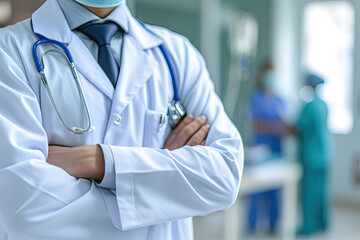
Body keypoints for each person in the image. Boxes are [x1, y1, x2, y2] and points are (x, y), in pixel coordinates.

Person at [0, 0, 243, 239]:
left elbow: (225, 176)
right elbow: (23, 210)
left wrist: (98, 161)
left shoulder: (178, 54)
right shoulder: (9, 51)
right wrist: (162, 193)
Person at [247, 60, 289, 232]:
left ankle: (273, 224)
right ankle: (252, 224)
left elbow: (287, 123)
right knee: (255, 187)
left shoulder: (281, 99)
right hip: (260, 147)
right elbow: (255, 124)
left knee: (275, 188)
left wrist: (276, 127)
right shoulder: (256, 98)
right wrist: (275, 127)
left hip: (277, 147)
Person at [297, 73, 332, 235]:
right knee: (321, 192)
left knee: (309, 193)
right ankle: (322, 223)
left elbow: (299, 127)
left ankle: (308, 226)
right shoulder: (324, 105)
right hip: (325, 154)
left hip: (312, 156)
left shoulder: (310, 106)